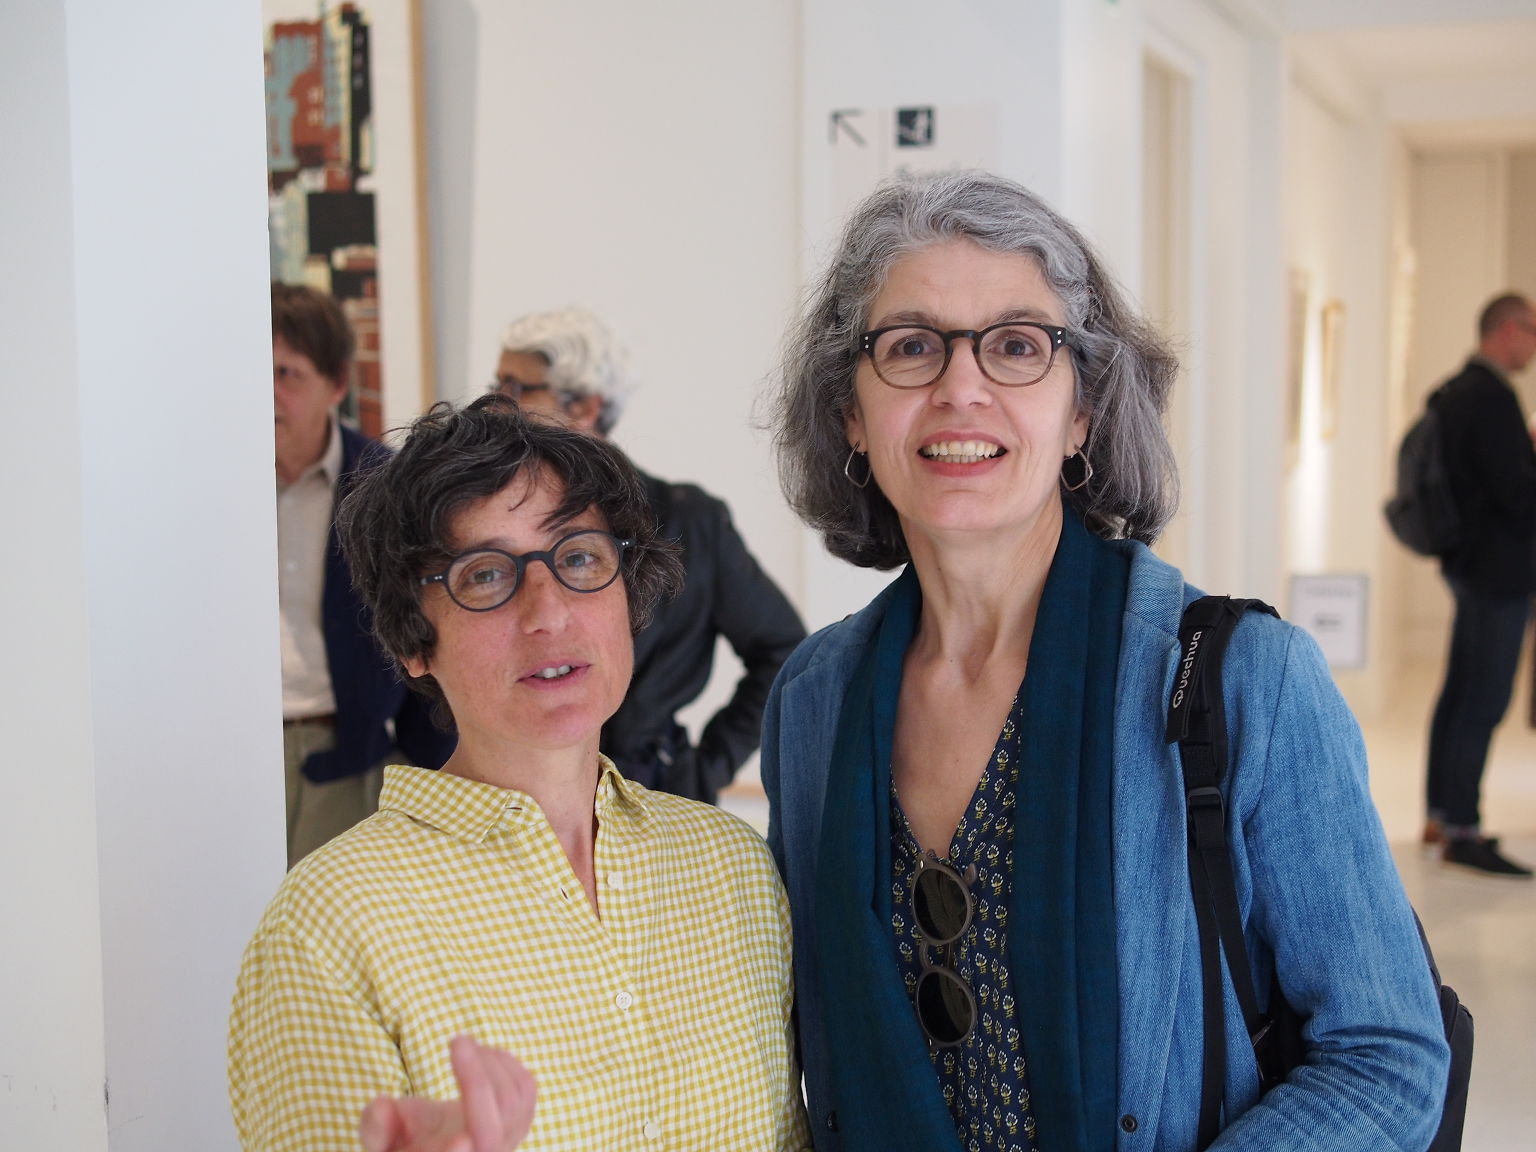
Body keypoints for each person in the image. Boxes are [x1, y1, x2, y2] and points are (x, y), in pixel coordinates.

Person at [761, 170, 1450, 1151]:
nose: (961, 388)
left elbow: (1387, 1055)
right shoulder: (813, 701)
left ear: (1082, 411)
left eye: (1016, 346)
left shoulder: (1244, 681)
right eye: (911, 346)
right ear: (851, 416)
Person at [229, 396, 810, 1151]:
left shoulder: (736, 870)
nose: (548, 613)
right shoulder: (329, 928)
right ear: (413, 642)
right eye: (485, 575)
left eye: (579, 558)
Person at [493, 307, 805, 803]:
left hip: (655, 795)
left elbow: (784, 652)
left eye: (517, 388)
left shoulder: (690, 521)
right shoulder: (495, 522)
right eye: (497, 385)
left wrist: (709, 767)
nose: (497, 406)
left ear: (586, 406)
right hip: (519, 791)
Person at [272, 282, 454, 867]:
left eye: (285, 373)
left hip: (346, 754)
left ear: (336, 384)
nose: (266, 393)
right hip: (225, 755)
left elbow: (426, 626)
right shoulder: (205, 486)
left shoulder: (383, 484)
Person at [1423, 292, 1536, 877]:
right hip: (1499, 573)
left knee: (1461, 692)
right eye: (1533, 331)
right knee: (1483, 699)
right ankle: (1463, 830)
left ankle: (1441, 815)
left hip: (1471, 566)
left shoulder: (1459, 389)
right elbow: (1516, 497)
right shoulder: (1491, 397)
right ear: (1509, 330)